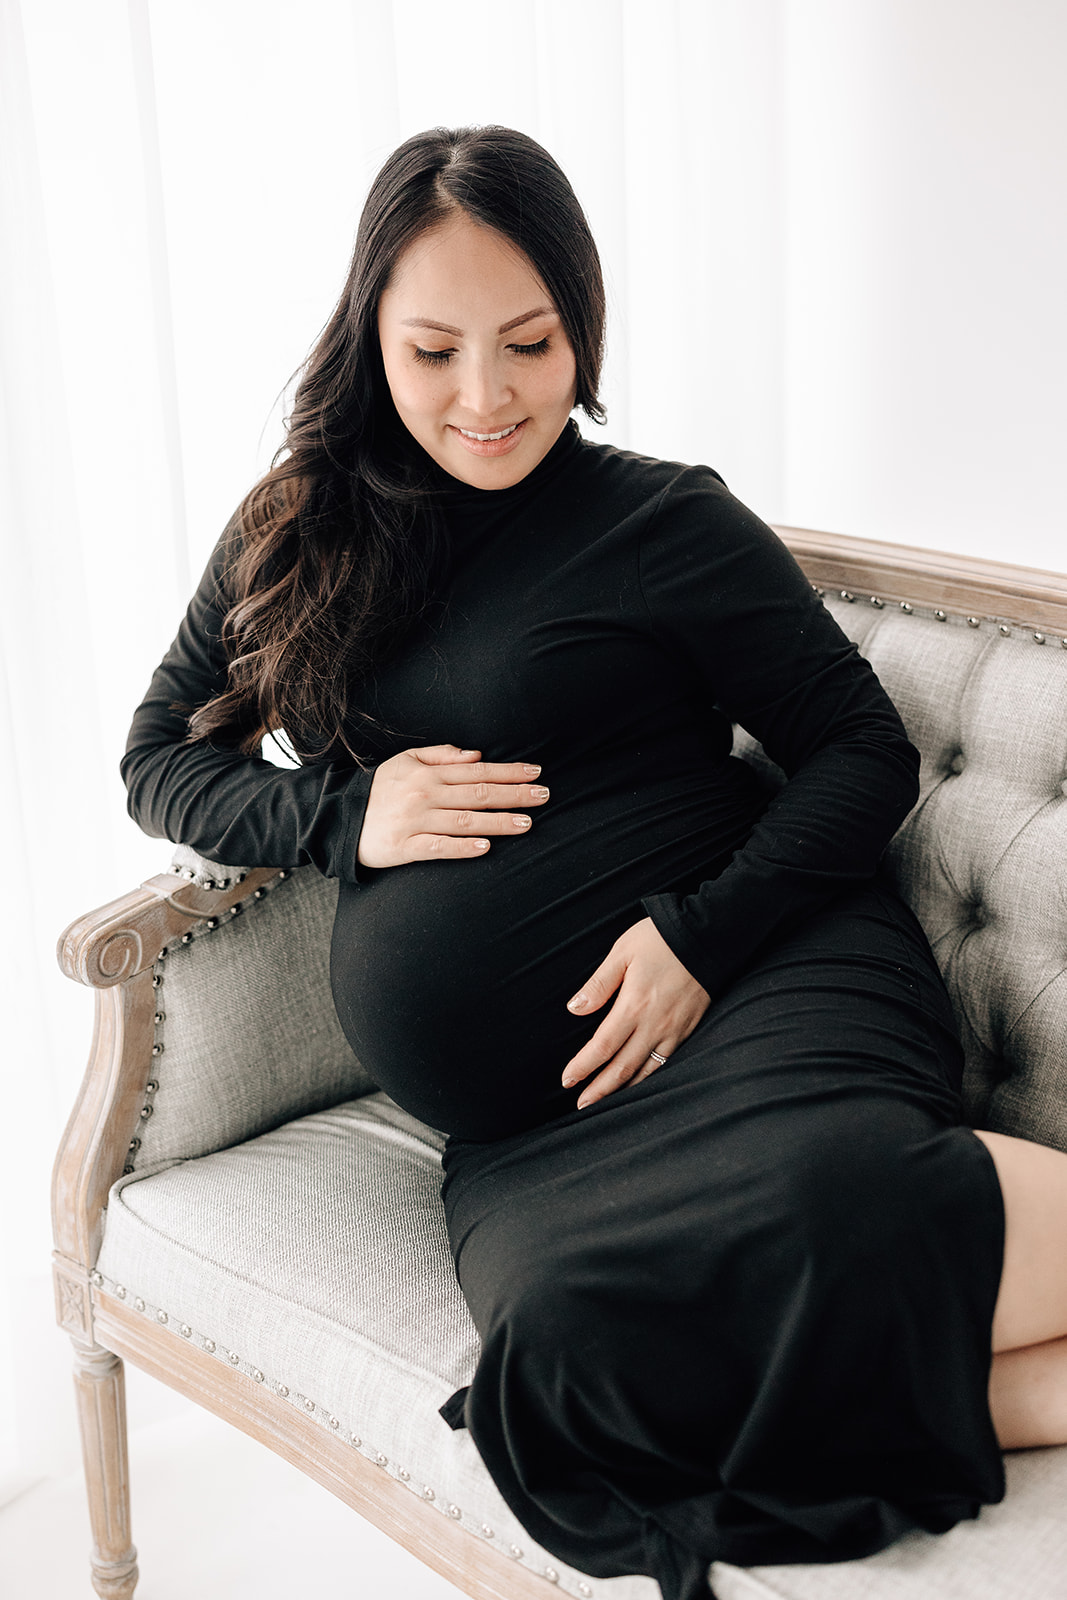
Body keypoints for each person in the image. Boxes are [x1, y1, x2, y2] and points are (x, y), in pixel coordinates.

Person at [123, 126, 1067, 1600]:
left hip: (753, 988)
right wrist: (336, 820)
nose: (486, 397)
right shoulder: (295, 530)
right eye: (433, 350)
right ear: (371, 333)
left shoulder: (660, 522)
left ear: (584, 328)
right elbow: (158, 763)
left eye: (530, 342)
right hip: (538, 1136)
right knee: (564, 1369)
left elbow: (860, 754)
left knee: (843, 1202)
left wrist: (698, 939)